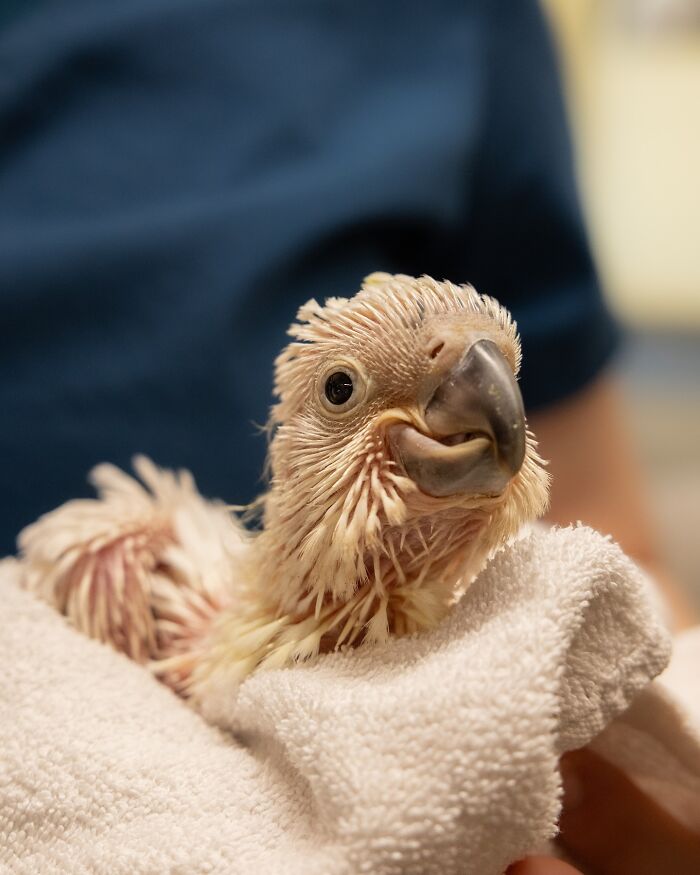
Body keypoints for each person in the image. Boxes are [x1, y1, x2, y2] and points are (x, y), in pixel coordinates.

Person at [0, 1, 696, 871]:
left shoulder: (466, 26)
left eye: (491, 378)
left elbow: (615, 546)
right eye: (343, 390)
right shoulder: (134, 564)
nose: (462, 393)